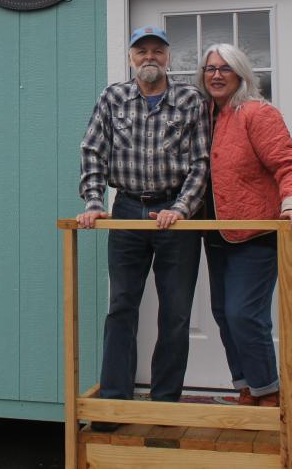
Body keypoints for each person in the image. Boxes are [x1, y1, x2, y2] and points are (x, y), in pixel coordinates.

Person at [76, 25, 210, 410]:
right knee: (121, 305)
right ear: (130, 57)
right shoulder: (113, 97)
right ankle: (116, 400)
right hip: (128, 211)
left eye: (157, 50)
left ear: (168, 57)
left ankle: (165, 403)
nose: (149, 57)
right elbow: (92, 151)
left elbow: (200, 164)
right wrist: (93, 202)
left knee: (177, 311)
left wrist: (181, 207)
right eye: (141, 51)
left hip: (176, 217)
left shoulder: (190, 100)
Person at [197, 42, 292, 408]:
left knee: (244, 313)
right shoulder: (206, 118)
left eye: (224, 68)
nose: (216, 75)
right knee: (222, 314)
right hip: (216, 234)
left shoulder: (258, 113)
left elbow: (289, 165)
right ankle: (247, 388)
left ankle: (270, 394)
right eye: (210, 69)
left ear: (241, 74)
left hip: (257, 233)